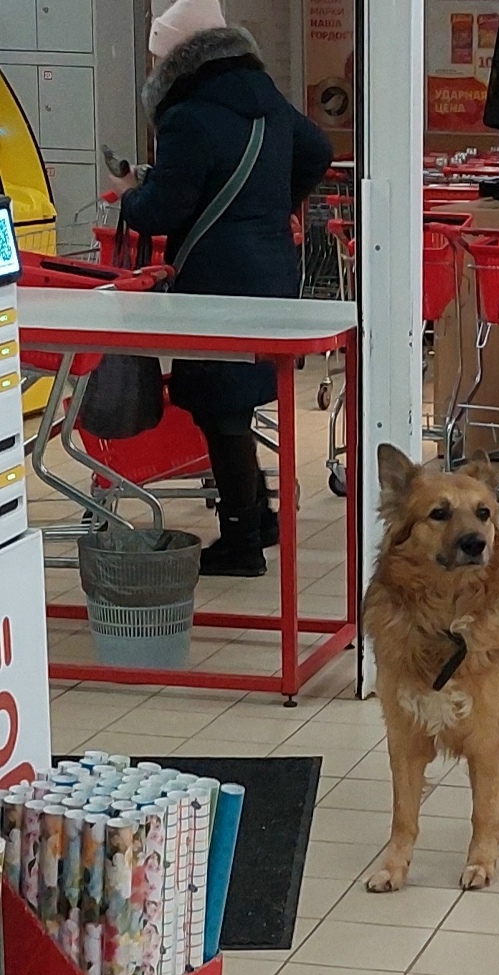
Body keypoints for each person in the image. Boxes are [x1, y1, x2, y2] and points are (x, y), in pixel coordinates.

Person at [112, 0, 333, 577]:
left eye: (157, 55)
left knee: (220, 406)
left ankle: (241, 543)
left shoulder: (189, 116)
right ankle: (257, 517)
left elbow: (163, 210)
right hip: (271, 273)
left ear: (179, 59)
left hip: (217, 279)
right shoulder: (265, 98)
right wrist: (272, 204)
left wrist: (132, 193)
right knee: (232, 402)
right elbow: (317, 150)